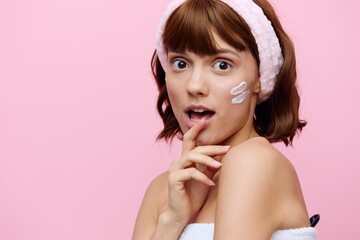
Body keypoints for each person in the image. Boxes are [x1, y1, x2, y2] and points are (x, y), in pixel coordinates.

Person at [133, 0, 318, 239]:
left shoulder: (254, 162)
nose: (194, 85)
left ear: (260, 77)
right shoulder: (163, 192)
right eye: (181, 63)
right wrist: (172, 220)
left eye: (222, 65)